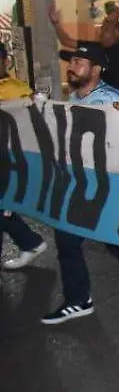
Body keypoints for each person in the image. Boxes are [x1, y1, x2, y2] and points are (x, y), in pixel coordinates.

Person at [43, 41, 119, 324]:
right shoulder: (76, 99)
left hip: (107, 184)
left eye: (78, 63)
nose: (71, 68)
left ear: (96, 70)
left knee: (110, 237)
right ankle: (78, 298)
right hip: (81, 182)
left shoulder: (108, 100)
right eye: (70, 63)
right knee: (68, 236)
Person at [0, 43, 48, 271]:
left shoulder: (17, 90)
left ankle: (32, 242)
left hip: (7, 160)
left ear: (5, 61)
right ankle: (31, 242)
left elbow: (32, 125)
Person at [48, 2, 119, 94]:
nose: (102, 32)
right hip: (95, 94)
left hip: (113, 96)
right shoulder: (94, 48)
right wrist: (56, 23)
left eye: (106, 29)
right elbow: (66, 41)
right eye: (103, 28)